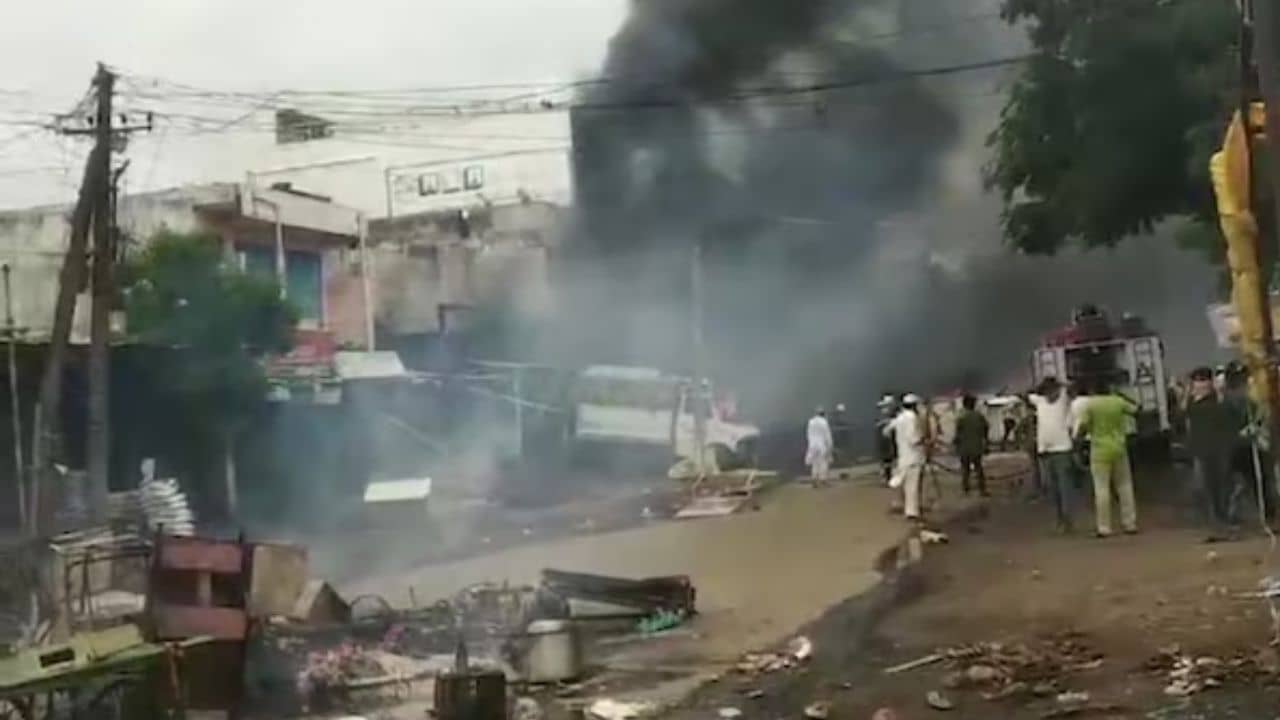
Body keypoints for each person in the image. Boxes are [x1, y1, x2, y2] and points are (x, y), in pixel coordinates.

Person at [1076, 380, 1139, 537]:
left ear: (1093, 390)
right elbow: (1137, 410)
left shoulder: (1090, 404)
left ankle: (1104, 527)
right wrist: (1122, 396)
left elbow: (1083, 426)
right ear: (1109, 388)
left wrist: (1077, 442)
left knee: (1101, 488)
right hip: (1119, 447)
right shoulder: (1118, 402)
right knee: (1125, 486)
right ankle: (1130, 523)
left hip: (1099, 450)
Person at [1184, 366, 1239, 541]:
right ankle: (1215, 523)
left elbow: (1231, 420)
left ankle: (1225, 523)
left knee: (1220, 487)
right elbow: (1181, 416)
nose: (1199, 384)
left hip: (1219, 450)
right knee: (1204, 488)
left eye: (1203, 380)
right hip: (1202, 451)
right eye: (1197, 381)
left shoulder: (1219, 401)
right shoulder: (1193, 403)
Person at [1029, 377, 1078, 532]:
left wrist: (1061, 383)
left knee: (1064, 487)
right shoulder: (1039, 401)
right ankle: (1060, 520)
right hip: (1046, 451)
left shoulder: (1063, 399)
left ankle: (1066, 520)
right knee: (1054, 489)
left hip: (1062, 450)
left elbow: (1074, 386)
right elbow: (1024, 394)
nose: (1050, 393)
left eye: (1052, 390)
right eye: (1047, 390)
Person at [887, 394, 926, 521]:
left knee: (902, 482)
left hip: (902, 456)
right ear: (914, 405)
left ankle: (900, 504)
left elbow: (887, 430)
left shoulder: (900, 418)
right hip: (913, 456)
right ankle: (911, 512)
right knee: (912, 486)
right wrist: (922, 440)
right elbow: (913, 439)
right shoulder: (911, 417)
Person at [953, 394, 989, 496]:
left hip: (964, 448)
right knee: (979, 469)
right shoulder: (979, 416)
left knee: (965, 469)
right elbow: (986, 429)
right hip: (977, 447)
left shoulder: (961, 417)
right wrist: (985, 442)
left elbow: (957, 434)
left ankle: (966, 489)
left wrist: (955, 444)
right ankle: (982, 489)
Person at [805, 407, 834, 486]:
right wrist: (830, 446)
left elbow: (808, 434)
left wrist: (810, 443)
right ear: (823, 414)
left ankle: (814, 479)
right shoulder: (824, 422)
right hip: (821, 444)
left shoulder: (811, 422)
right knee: (823, 462)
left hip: (812, 445)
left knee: (815, 463)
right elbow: (827, 435)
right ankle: (823, 479)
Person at [875, 395, 898, 485]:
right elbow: (878, 425)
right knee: (886, 459)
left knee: (891, 458)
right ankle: (887, 477)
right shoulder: (881, 416)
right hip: (884, 440)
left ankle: (890, 476)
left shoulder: (893, 415)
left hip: (891, 439)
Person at [830, 403, 851, 468]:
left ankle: (841, 461)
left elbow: (843, 423)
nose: (841, 414)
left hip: (840, 438)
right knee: (838, 450)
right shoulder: (834, 417)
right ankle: (839, 462)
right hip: (836, 438)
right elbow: (834, 426)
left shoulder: (840, 418)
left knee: (840, 450)